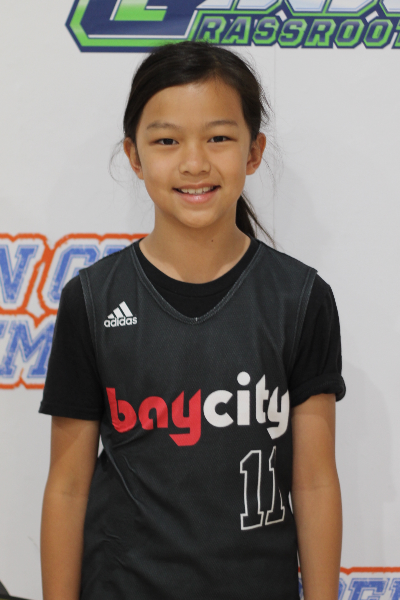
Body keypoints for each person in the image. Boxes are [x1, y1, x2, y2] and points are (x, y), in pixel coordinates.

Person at [39, 41, 345, 600]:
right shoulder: (92, 299)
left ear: (254, 152)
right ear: (134, 156)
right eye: (167, 140)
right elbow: (67, 485)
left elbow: (316, 481)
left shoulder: (300, 298)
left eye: (219, 138)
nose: (195, 163)